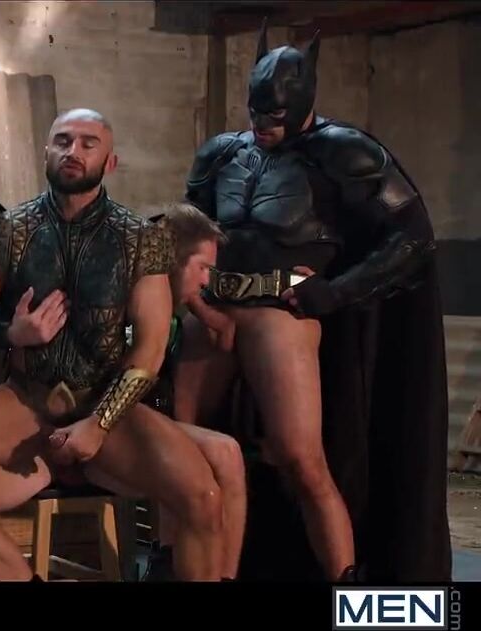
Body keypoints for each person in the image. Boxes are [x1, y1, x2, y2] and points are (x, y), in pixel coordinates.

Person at [0, 108, 229, 582]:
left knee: (203, 496)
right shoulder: (9, 228)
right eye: (63, 141)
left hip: (103, 406)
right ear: (46, 152)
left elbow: (148, 350)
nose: (73, 151)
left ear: (110, 162)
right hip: (27, 401)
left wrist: (99, 425)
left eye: (88, 143)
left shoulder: (142, 239)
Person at [176, 25, 450, 582]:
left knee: (302, 461)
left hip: (283, 316)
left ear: (303, 103)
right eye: (256, 113)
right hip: (214, 312)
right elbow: (188, 234)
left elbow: (413, 238)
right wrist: (188, 292)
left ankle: (349, 590)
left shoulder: (345, 151)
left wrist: (336, 291)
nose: (263, 125)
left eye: (276, 115)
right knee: (181, 453)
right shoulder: (223, 153)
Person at [135, 202, 245, 581]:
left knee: (213, 453)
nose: (206, 280)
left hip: (146, 419)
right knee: (220, 453)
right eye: (202, 268)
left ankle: (204, 571)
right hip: (108, 423)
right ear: (173, 260)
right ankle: (170, 563)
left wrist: (199, 305)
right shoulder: (135, 299)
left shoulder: (168, 307)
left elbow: (224, 332)